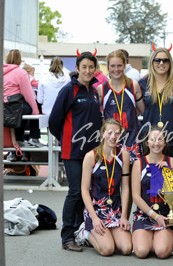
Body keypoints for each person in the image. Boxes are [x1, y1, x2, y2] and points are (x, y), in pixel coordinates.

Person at [49, 50, 103, 252]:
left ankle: (82, 233)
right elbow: (55, 121)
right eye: (84, 67)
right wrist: (66, 140)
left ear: (95, 69)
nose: (88, 71)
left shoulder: (94, 91)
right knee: (74, 192)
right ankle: (67, 237)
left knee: (87, 192)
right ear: (77, 68)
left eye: (91, 67)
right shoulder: (68, 90)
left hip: (92, 152)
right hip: (72, 151)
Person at [81, 119, 132, 256]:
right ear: (102, 134)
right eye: (109, 132)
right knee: (108, 249)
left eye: (117, 133)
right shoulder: (91, 156)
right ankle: (85, 232)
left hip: (115, 210)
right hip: (96, 210)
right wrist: (94, 218)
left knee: (127, 248)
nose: (113, 137)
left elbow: (126, 188)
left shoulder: (124, 155)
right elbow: (84, 190)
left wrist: (124, 216)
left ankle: (109, 234)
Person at [131, 126, 173, 258]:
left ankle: (165, 238)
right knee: (141, 251)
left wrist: (169, 172)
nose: (156, 143)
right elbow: (136, 196)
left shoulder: (172, 161)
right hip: (146, 213)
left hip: (165, 214)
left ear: (165, 143)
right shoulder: (138, 163)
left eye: (160, 139)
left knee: (162, 252)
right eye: (153, 139)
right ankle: (146, 237)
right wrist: (154, 215)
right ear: (147, 142)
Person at [138, 46, 173, 167]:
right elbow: (143, 110)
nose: (161, 63)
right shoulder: (143, 83)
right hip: (151, 141)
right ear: (152, 62)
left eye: (165, 60)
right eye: (157, 60)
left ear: (170, 63)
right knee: (150, 181)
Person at [96, 50, 144, 163]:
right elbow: (97, 116)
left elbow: (143, 111)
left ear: (125, 66)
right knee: (112, 177)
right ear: (108, 66)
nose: (116, 69)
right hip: (110, 141)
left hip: (132, 140)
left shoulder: (133, 86)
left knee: (133, 177)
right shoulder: (101, 89)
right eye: (112, 66)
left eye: (119, 66)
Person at [3, 49, 39, 162]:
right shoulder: (21, 72)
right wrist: (36, 111)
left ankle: (13, 150)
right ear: (19, 60)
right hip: (15, 106)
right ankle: (31, 138)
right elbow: (28, 94)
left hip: (3, 108)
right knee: (29, 110)